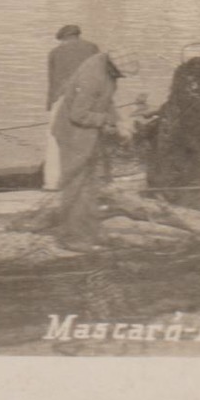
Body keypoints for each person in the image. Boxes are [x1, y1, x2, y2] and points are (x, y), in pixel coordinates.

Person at [51, 49, 137, 251]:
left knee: (90, 185)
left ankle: (89, 231)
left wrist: (120, 121)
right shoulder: (93, 77)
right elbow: (78, 115)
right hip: (73, 136)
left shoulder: (106, 68)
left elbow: (107, 101)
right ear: (112, 66)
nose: (120, 78)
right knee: (75, 186)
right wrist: (108, 122)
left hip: (86, 136)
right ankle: (72, 238)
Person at [44, 24, 100, 190]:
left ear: (63, 39)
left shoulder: (55, 53)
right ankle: (84, 179)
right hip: (87, 99)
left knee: (55, 139)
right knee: (86, 138)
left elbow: (52, 81)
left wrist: (50, 104)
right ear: (78, 35)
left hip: (62, 99)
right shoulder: (92, 48)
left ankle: (52, 183)